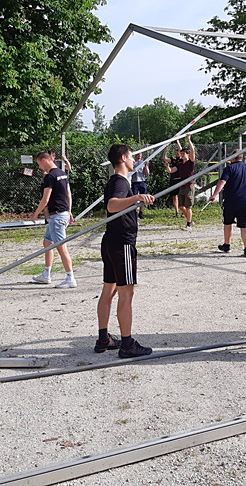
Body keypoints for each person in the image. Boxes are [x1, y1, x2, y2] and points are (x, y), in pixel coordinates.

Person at [95, 143, 155, 358]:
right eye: (131, 156)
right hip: (122, 244)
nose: (133, 160)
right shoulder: (120, 182)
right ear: (122, 158)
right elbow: (112, 205)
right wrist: (137, 198)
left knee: (109, 290)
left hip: (111, 241)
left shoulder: (116, 181)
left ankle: (104, 339)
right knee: (126, 293)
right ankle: (128, 345)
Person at [31, 151, 76, 288]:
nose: (39, 167)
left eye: (39, 164)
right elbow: (68, 194)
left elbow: (45, 199)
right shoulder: (62, 173)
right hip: (62, 214)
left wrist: (35, 214)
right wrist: (69, 211)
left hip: (57, 216)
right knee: (47, 242)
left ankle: (70, 278)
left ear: (44, 160)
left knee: (61, 248)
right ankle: (46, 274)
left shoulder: (50, 176)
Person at [209, 150, 246, 257]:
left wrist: (214, 195)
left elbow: (222, 182)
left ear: (233, 157)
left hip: (231, 201)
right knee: (245, 226)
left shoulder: (229, 168)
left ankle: (227, 245)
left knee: (228, 223)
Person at [166, 134, 196, 230]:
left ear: (187, 154)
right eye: (181, 153)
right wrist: (167, 167)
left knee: (188, 206)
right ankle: (190, 220)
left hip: (189, 185)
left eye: (183, 154)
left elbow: (192, 150)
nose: (182, 155)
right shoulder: (180, 164)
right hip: (182, 186)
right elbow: (171, 171)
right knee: (181, 206)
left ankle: (188, 224)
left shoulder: (190, 162)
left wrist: (189, 140)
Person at [164, 139, 183, 218]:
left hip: (180, 180)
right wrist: (165, 150)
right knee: (174, 196)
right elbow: (165, 158)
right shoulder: (173, 160)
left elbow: (181, 149)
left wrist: (177, 141)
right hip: (173, 180)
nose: (177, 153)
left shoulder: (182, 160)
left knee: (181, 196)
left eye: (178, 152)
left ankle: (183, 212)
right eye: (176, 152)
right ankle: (176, 212)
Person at [130, 153, 150, 218]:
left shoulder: (143, 163)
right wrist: (132, 168)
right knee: (134, 198)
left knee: (143, 197)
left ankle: (141, 212)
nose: (139, 156)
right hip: (134, 182)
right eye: (138, 155)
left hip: (142, 181)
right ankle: (135, 212)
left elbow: (147, 173)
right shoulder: (133, 163)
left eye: (140, 155)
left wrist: (146, 166)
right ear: (136, 155)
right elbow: (129, 170)